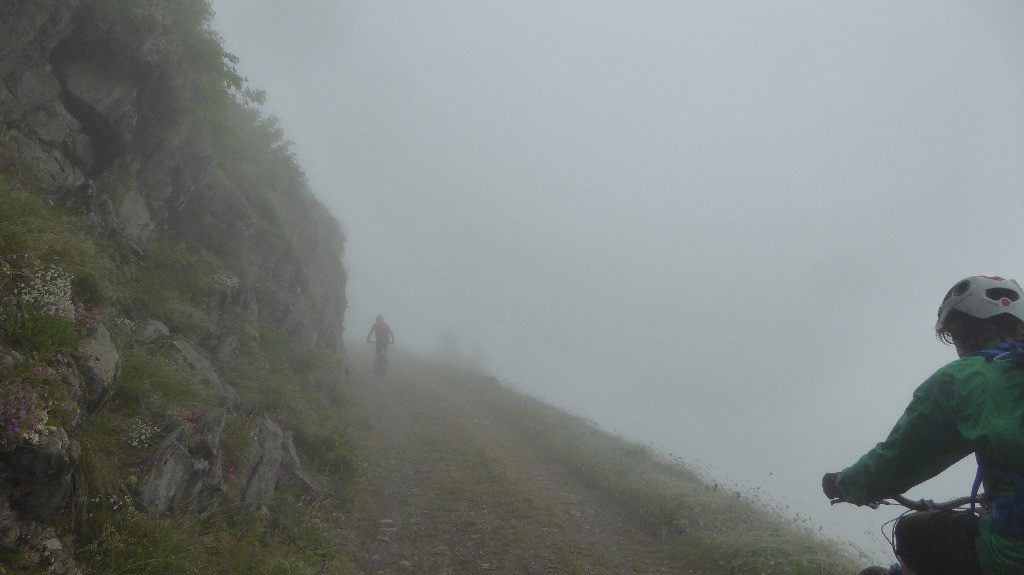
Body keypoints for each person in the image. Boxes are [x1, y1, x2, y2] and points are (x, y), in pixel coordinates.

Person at [822, 276, 1024, 575]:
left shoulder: (968, 379)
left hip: (1013, 552)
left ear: (961, 330)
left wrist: (843, 484)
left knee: (915, 532)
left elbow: (898, 460)